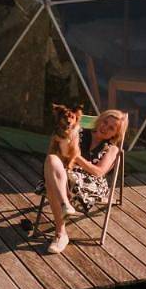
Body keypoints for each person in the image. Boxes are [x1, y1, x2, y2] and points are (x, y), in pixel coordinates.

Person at [42, 108, 127, 254]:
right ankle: (64, 207)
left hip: (91, 183)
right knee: (51, 159)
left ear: (115, 134)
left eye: (111, 128)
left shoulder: (112, 149)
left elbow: (98, 172)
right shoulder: (78, 132)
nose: (105, 127)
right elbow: (59, 153)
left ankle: (60, 233)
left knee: (53, 182)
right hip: (66, 173)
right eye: (105, 122)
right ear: (99, 120)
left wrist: (75, 156)